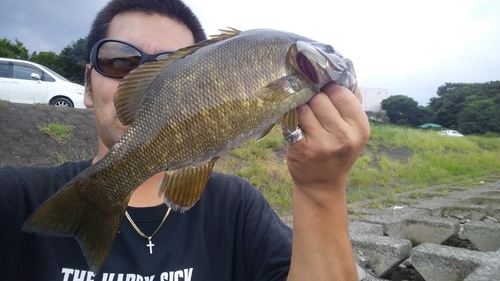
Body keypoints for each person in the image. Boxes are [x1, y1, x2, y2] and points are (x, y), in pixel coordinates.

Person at [0, 0, 370, 280]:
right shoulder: (16, 197)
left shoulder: (238, 210)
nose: (139, 77)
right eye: (119, 60)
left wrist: (320, 191)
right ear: (87, 85)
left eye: (170, 66)